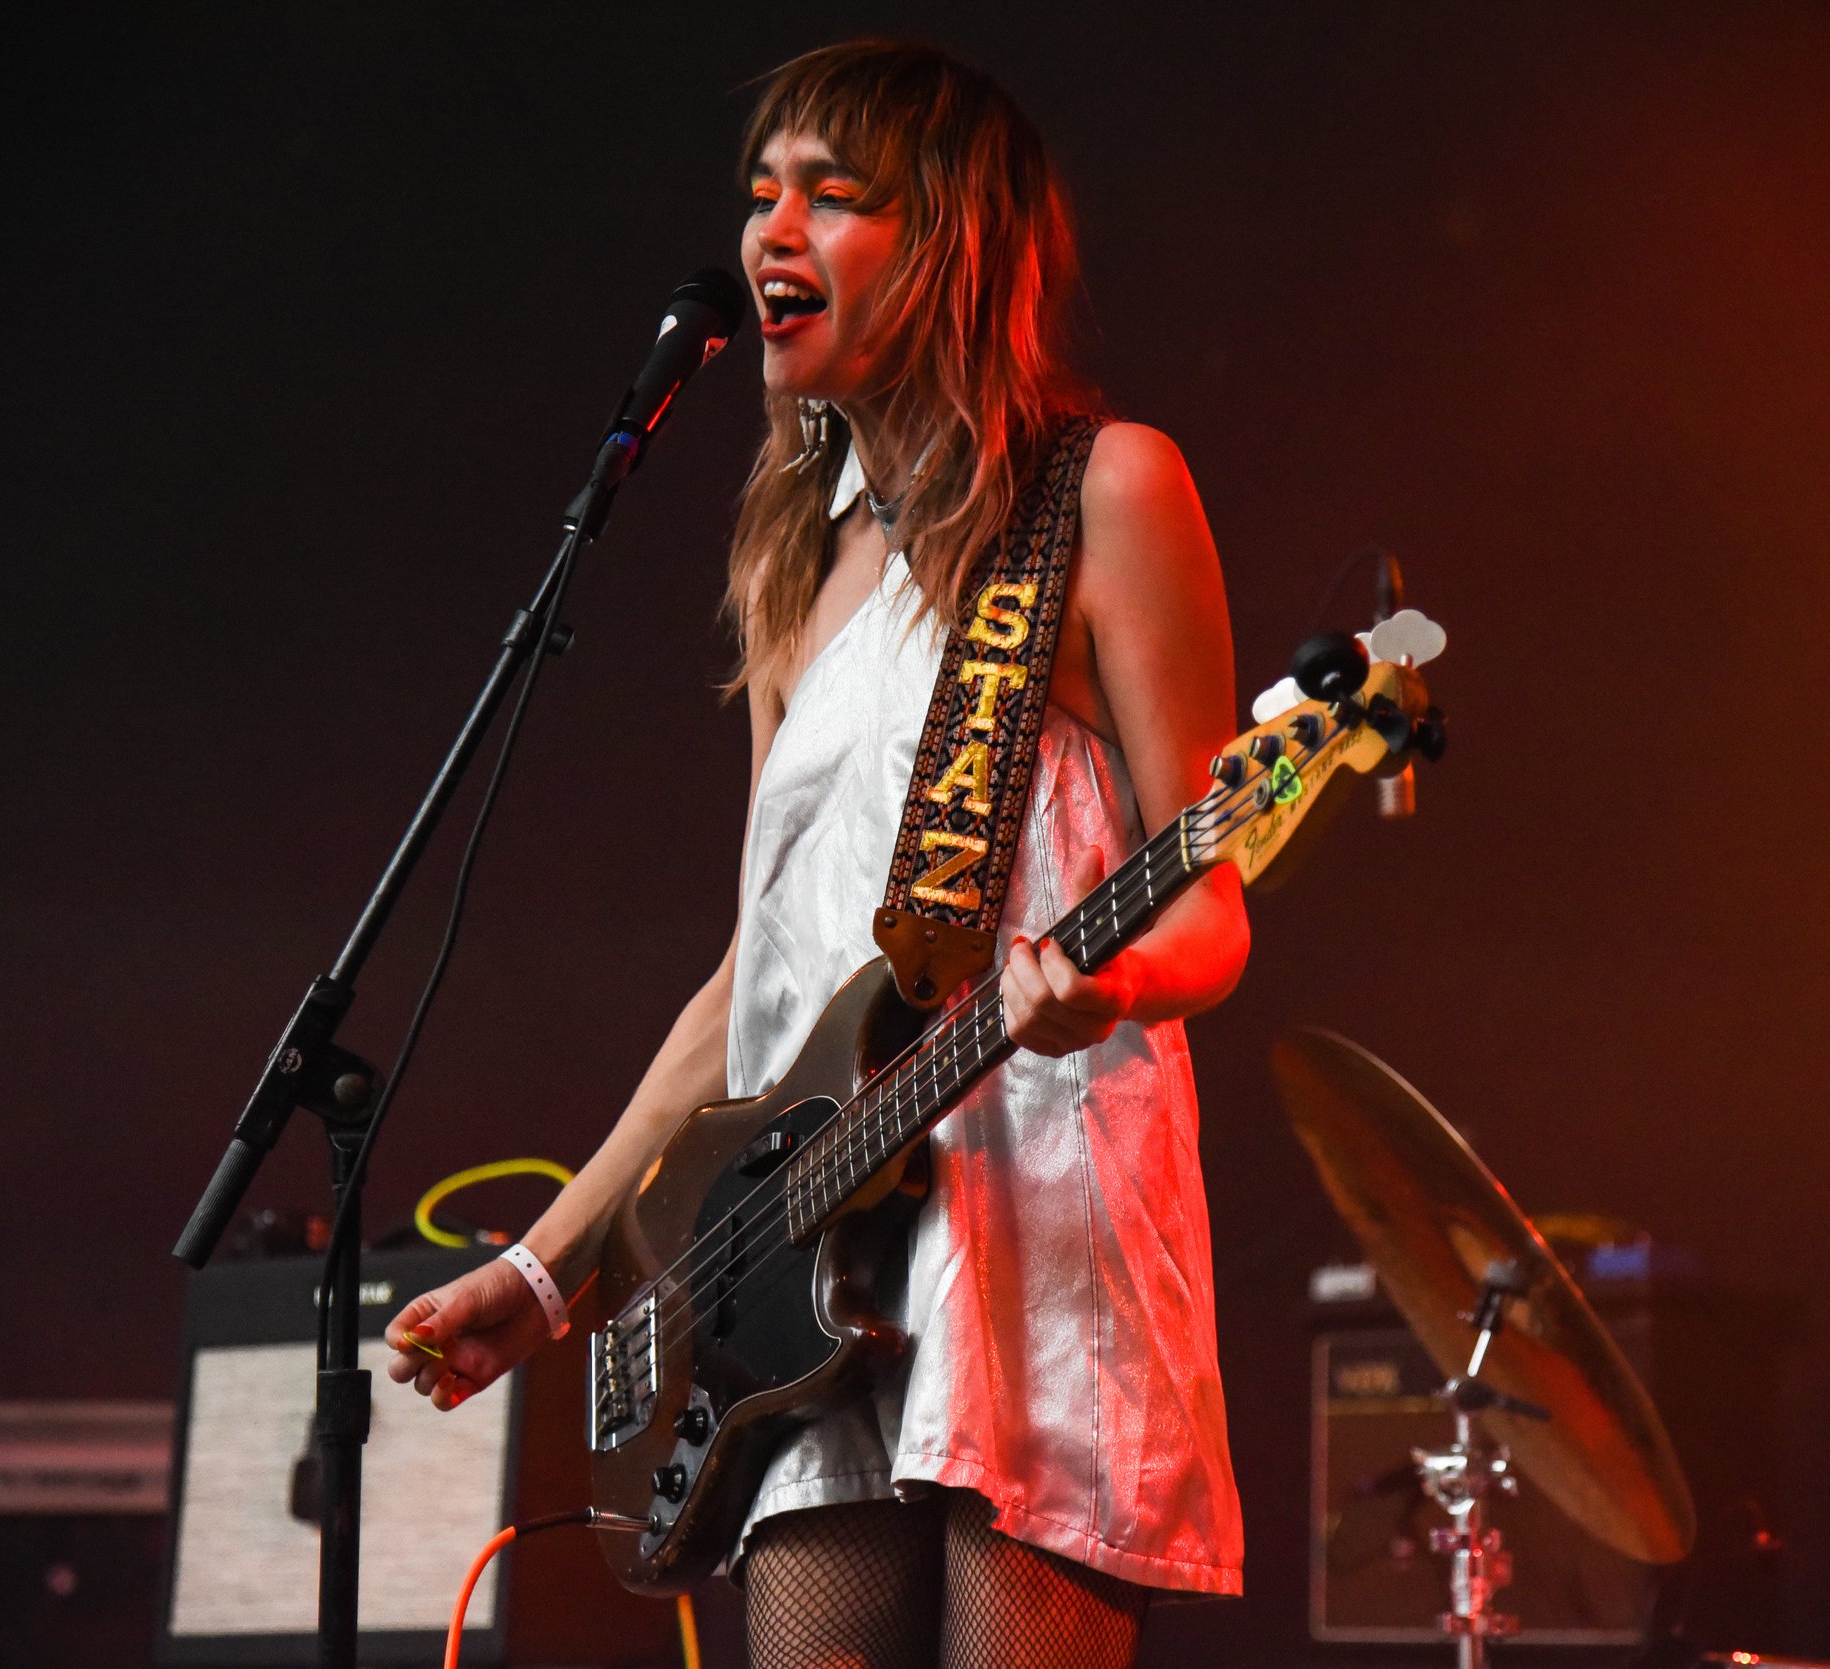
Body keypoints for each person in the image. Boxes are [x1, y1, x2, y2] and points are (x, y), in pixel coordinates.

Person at [387, 40, 1250, 1669]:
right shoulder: (798, 554)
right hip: (801, 1251)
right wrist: (545, 1266)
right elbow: (755, 981)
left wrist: (1110, 974)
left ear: (947, 242)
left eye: (830, 195)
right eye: (759, 191)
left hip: (1035, 1219)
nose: (770, 227)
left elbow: (1212, 893)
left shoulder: (1103, 492)